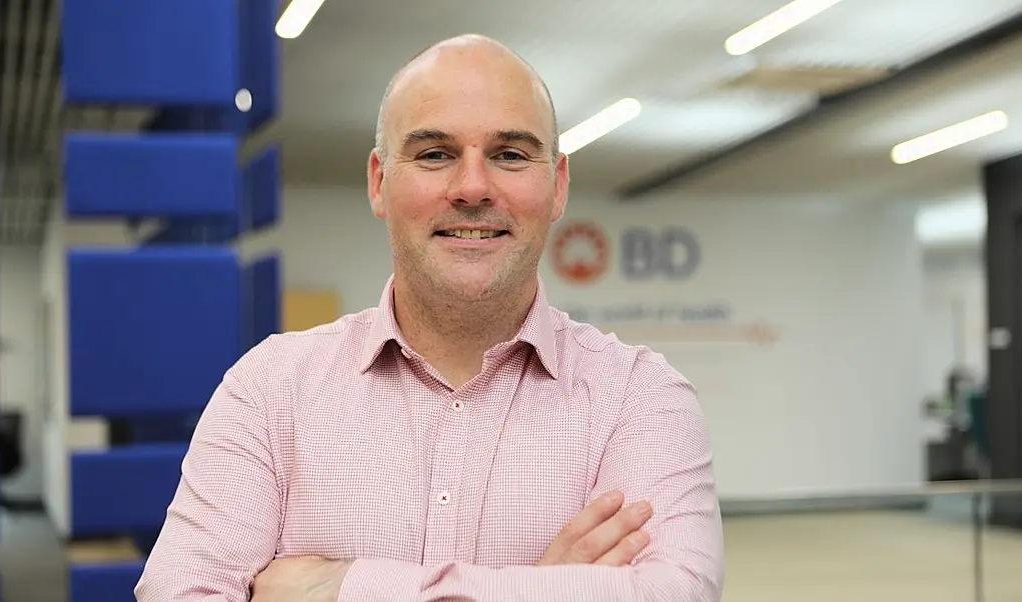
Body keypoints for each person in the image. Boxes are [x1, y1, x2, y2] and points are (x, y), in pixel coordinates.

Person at [134, 33, 724, 601]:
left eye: (510, 154)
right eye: (435, 153)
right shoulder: (269, 390)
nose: (472, 187)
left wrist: (339, 588)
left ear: (558, 184)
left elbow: (674, 595)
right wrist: (544, 588)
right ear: (379, 182)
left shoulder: (641, 399)